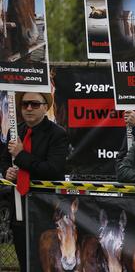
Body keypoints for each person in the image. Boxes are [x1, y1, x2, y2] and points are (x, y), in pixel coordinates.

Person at [0, 92, 69, 272]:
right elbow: (5, 161)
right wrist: (7, 171)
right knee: (23, 257)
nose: (29, 108)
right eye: (25, 104)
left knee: (46, 262)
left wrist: (21, 156)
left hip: (46, 209)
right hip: (20, 205)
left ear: (45, 107)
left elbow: (53, 169)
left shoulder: (57, 134)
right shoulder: (15, 132)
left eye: (35, 104)